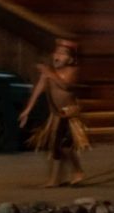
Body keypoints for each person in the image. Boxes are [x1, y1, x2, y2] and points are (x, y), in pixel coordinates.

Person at [19, 38, 90, 187]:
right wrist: (27, 110)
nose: (58, 56)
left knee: (65, 146)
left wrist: (49, 73)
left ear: (70, 58)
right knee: (55, 148)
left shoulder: (72, 71)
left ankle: (76, 172)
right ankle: (56, 178)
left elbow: (65, 86)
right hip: (56, 115)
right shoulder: (50, 72)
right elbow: (39, 89)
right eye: (56, 52)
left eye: (63, 54)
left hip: (70, 114)